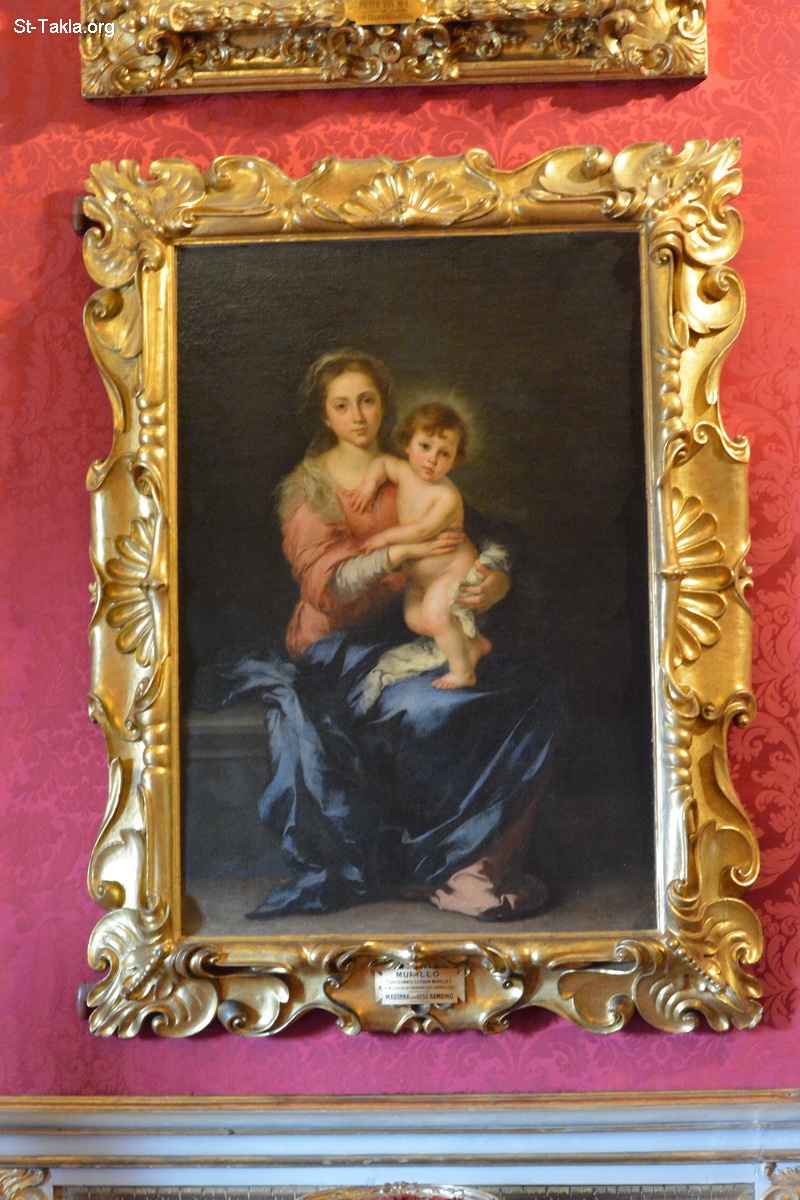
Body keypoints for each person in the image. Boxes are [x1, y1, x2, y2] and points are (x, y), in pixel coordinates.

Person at [235, 348, 561, 920]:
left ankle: (479, 866)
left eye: (367, 400)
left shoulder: (409, 466)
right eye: (342, 406)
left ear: (383, 405)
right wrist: (400, 554)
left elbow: (487, 533)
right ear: (324, 416)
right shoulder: (309, 490)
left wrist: (494, 577)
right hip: (338, 651)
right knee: (439, 708)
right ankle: (439, 867)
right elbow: (327, 588)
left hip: (412, 635)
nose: (358, 415)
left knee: (529, 690)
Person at [352, 402, 491, 690]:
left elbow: (423, 530)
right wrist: (368, 485)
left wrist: (385, 538)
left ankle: (463, 671)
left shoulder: (446, 496)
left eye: (444, 454)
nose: (432, 459)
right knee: (415, 619)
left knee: (436, 616)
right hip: (422, 578)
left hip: (451, 570)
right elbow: (380, 463)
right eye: (425, 446)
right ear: (407, 443)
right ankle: (472, 642)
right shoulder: (403, 471)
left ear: (455, 460)